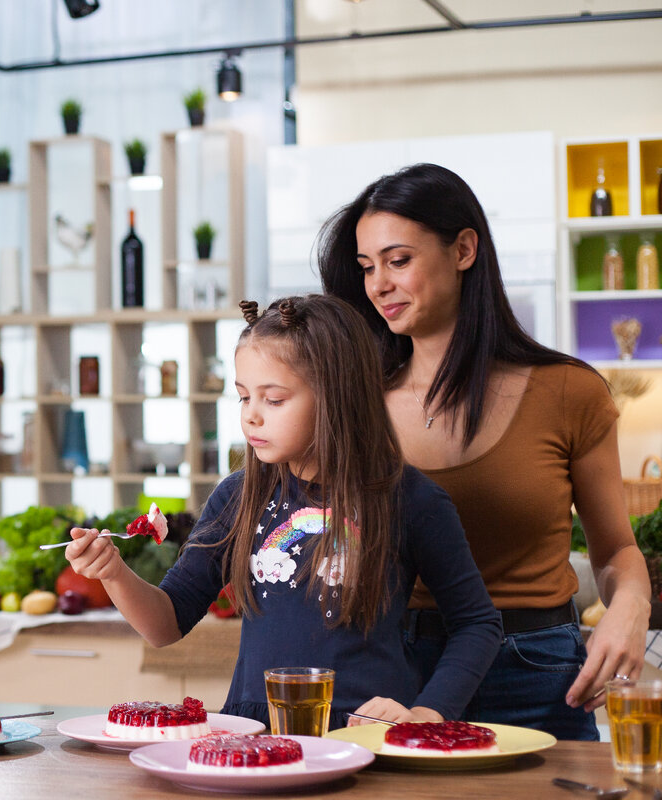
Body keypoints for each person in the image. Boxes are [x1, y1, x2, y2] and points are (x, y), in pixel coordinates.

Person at [318, 162, 650, 740]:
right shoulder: (355, 402)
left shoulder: (568, 391)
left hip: (535, 674)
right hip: (392, 680)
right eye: (367, 267)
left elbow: (616, 549)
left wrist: (630, 608)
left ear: (464, 249)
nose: (377, 284)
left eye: (398, 260)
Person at [64, 294, 502, 730]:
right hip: (256, 734)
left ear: (337, 397)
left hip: (365, 733)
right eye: (242, 398)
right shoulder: (236, 498)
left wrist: (425, 715)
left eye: (273, 400)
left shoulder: (412, 499)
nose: (252, 416)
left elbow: (477, 625)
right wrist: (113, 572)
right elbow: (165, 625)